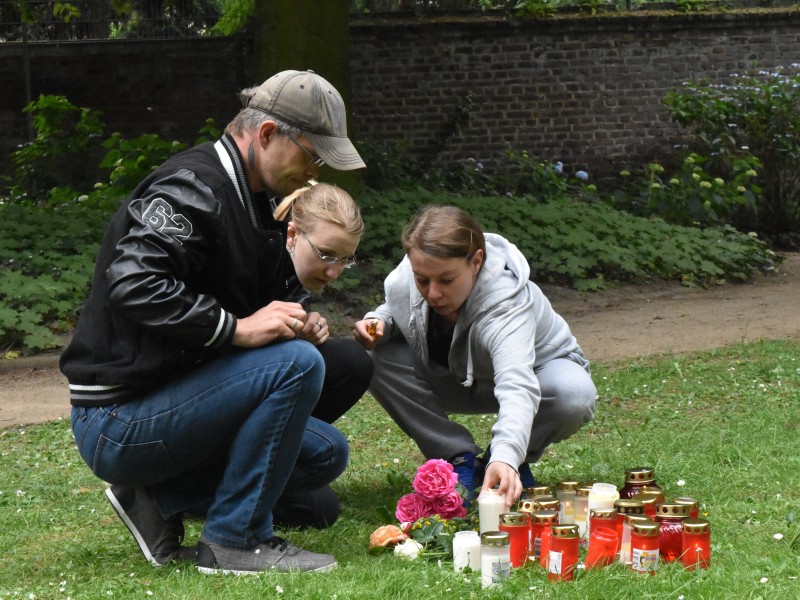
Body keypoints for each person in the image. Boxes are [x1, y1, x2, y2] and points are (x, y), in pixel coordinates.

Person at [60, 70, 370, 576]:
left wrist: (291, 318)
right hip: (118, 419)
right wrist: (235, 329)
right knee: (294, 366)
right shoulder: (192, 186)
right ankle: (234, 540)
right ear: (268, 135)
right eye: (312, 155)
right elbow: (133, 282)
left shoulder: (255, 197)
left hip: (172, 395)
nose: (315, 172)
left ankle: (157, 498)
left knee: (324, 452)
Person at [354, 205, 597, 509]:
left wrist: (506, 453)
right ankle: (458, 458)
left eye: (446, 280)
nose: (433, 294)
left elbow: (517, 385)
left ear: (476, 261)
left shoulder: (505, 302)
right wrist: (380, 323)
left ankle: (507, 462)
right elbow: (400, 305)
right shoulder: (406, 277)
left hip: (537, 378)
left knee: (574, 395)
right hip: (456, 379)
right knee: (369, 357)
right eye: (422, 280)